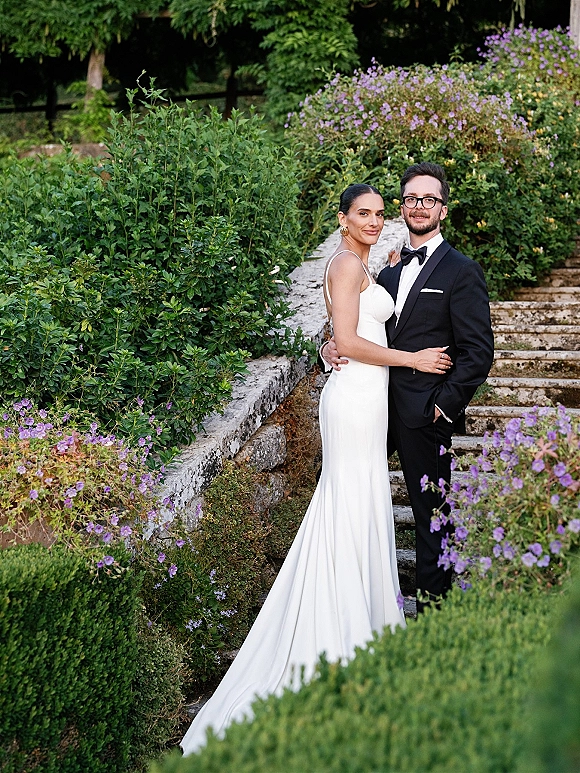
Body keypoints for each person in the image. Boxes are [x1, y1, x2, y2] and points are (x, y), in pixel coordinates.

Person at [180, 183, 452, 755]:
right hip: (355, 400)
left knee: (356, 502)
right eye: (365, 213)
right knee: (349, 500)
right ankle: (341, 634)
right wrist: (414, 358)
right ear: (343, 218)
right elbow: (352, 338)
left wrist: (338, 341)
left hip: (362, 394)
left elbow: (341, 336)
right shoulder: (348, 266)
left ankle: (363, 626)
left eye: (382, 213)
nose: (376, 221)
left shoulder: (362, 264)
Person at [323, 163, 494, 611]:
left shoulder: (462, 270)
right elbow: (358, 327)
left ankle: (434, 614)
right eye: (412, 199)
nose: (419, 206)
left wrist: (444, 407)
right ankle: (347, 602)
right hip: (371, 405)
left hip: (425, 411)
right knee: (352, 497)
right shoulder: (388, 270)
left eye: (429, 199)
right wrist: (328, 350)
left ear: (443, 208)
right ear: (404, 206)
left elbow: (478, 353)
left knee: (430, 514)